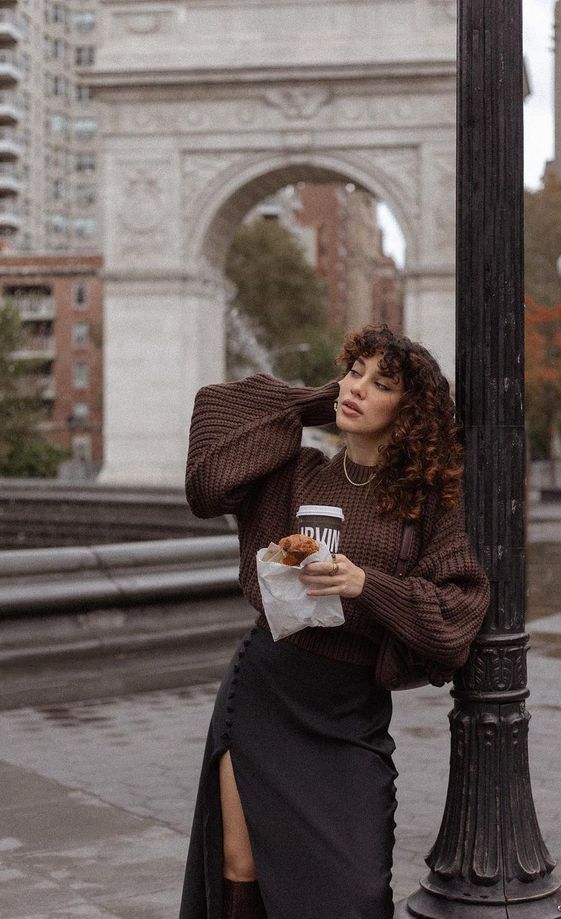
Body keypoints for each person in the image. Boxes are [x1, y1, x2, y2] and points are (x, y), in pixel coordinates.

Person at [179, 324, 490, 919]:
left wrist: (367, 585)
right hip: (265, 692)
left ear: (411, 411)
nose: (357, 388)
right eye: (354, 372)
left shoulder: (423, 503)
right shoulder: (298, 471)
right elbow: (211, 452)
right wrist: (318, 403)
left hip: (350, 716)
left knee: (356, 896)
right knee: (242, 869)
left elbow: (457, 615)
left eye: (381, 384)